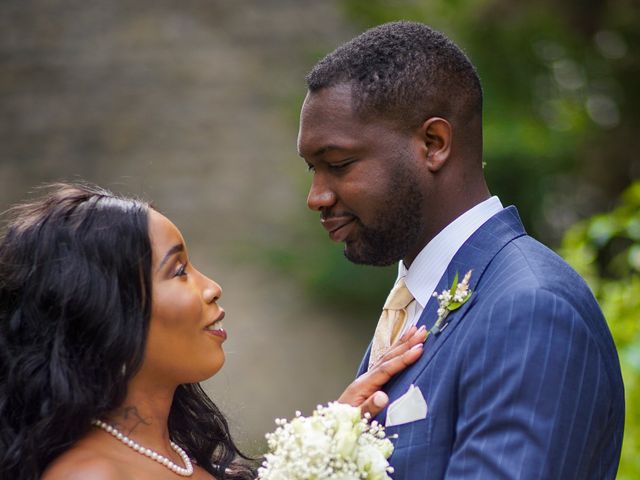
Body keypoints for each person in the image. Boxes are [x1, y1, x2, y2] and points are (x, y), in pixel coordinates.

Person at [297, 21, 625, 479]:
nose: (317, 196)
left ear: (433, 144)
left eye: (338, 165)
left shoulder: (530, 309)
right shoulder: (415, 307)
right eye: (313, 169)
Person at [0, 183, 427, 480]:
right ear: (104, 312)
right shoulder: (92, 474)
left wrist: (334, 435)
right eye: (179, 270)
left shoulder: (183, 456)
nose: (211, 288)